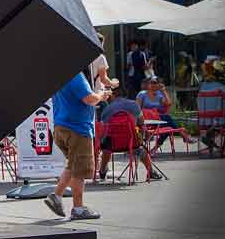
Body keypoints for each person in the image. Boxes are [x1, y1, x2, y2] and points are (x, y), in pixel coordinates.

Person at [44, 72, 111, 220]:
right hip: (77, 128)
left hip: (61, 126)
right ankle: (78, 208)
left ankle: (57, 196)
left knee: (73, 164)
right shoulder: (75, 75)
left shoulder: (58, 76)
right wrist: (101, 95)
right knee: (80, 169)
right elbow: (89, 99)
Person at [97, 96, 159, 182]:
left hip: (112, 144)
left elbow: (103, 127)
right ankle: (151, 171)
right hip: (131, 143)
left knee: (106, 148)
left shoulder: (107, 109)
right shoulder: (134, 105)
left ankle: (102, 171)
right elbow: (141, 123)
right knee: (141, 149)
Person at [137, 77, 194, 148]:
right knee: (167, 119)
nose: (153, 85)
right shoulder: (142, 94)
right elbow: (137, 108)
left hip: (158, 119)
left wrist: (164, 91)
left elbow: (169, 103)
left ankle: (155, 148)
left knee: (168, 128)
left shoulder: (159, 94)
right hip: (147, 120)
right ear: (148, 84)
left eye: (155, 83)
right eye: (151, 82)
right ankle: (184, 135)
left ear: (158, 84)